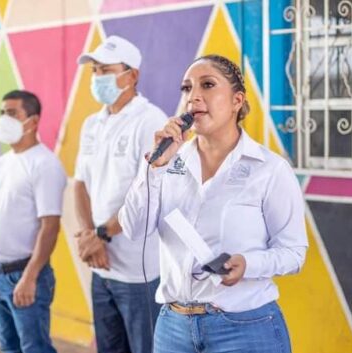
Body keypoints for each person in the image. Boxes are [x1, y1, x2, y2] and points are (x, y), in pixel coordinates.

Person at [119, 54, 308, 353]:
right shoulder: (168, 162)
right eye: (186, 88)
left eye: (207, 85)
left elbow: (294, 253)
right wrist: (154, 168)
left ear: (237, 100)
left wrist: (249, 264)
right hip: (173, 328)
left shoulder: (269, 169)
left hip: (245, 328)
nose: (193, 96)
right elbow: (134, 229)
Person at [74, 35, 167, 353]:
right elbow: (80, 184)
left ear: (132, 75)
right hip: (101, 265)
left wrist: (100, 235)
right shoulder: (92, 124)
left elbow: (146, 197)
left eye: (105, 70)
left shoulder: (150, 121)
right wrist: (89, 235)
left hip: (138, 273)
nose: (97, 78)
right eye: (94, 71)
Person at [0, 90, 66, 353]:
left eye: (12, 113)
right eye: (2, 113)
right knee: (8, 347)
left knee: (34, 347)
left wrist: (30, 276)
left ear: (33, 122)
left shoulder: (45, 165)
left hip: (24, 274)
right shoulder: (2, 162)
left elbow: (50, 226)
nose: (4, 119)